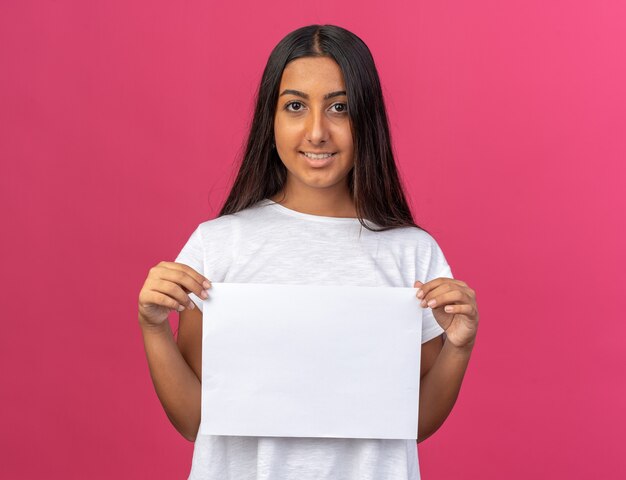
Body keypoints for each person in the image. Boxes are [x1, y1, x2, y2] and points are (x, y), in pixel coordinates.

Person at [138, 24, 479, 480]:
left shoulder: (411, 253)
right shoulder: (218, 244)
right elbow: (195, 420)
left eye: (340, 107)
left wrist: (459, 347)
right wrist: (153, 326)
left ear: (367, 118)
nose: (317, 132)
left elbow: (411, 425)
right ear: (270, 118)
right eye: (295, 106)